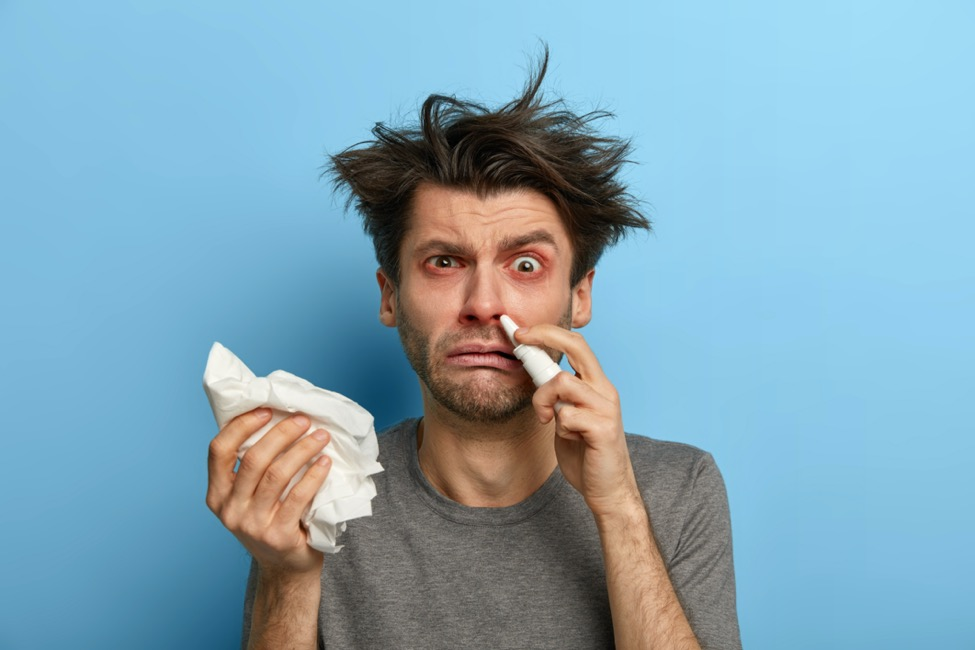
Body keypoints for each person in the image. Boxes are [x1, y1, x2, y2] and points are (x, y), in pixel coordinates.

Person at [206, 50, 741, 649]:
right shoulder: (319, 491)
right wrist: (288, 576)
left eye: (526, 264)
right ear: (390, 297)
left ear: (580, 296)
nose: (484, 303)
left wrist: (617, 509)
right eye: (443, 261)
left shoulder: (678, 487)